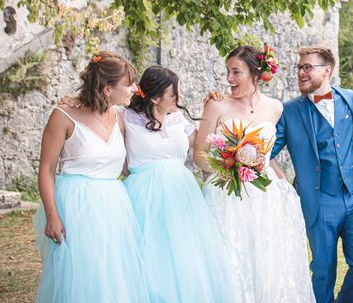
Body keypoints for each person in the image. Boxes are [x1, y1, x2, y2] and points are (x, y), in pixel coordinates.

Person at [194, 45, 314, 303]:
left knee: (267, 262)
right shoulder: (216, 106)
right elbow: (199, 155)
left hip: (265, 196)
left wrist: (277, 176)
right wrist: (229, 169)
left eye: (236, 72)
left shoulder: (275, 108)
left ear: (255, 74)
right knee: (232, 261)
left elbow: (267, 154)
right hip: (227, 195)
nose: (229, 79)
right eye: (227, 72)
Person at [34, 51, 149, 302]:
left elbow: (160, 108)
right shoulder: (63, 116)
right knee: (82, 273)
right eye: (128, 84)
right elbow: (46, 169)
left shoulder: (119, 118)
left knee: (113, 273)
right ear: (108, 89)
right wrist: (52, 216)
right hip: (76, 206)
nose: (134, 88)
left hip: (113, 206)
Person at [271, 45, 353, 303]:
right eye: (299, 68)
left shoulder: (349, 98)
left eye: (307, 67)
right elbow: (266, 151)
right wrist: (282, 178)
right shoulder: (290, 111)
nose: (301, 73)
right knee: (323, 271)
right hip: (319, 200)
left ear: (326, 70)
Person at [122, 66, 234, 302]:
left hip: (182, 194)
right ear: (154, 97)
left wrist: (213, 110)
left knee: (185, 254)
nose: (179, 98)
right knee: (150, 255)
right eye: (174, 94)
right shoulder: (125, 118)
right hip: (144, 194)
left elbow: (202, 145)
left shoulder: (178, 118)